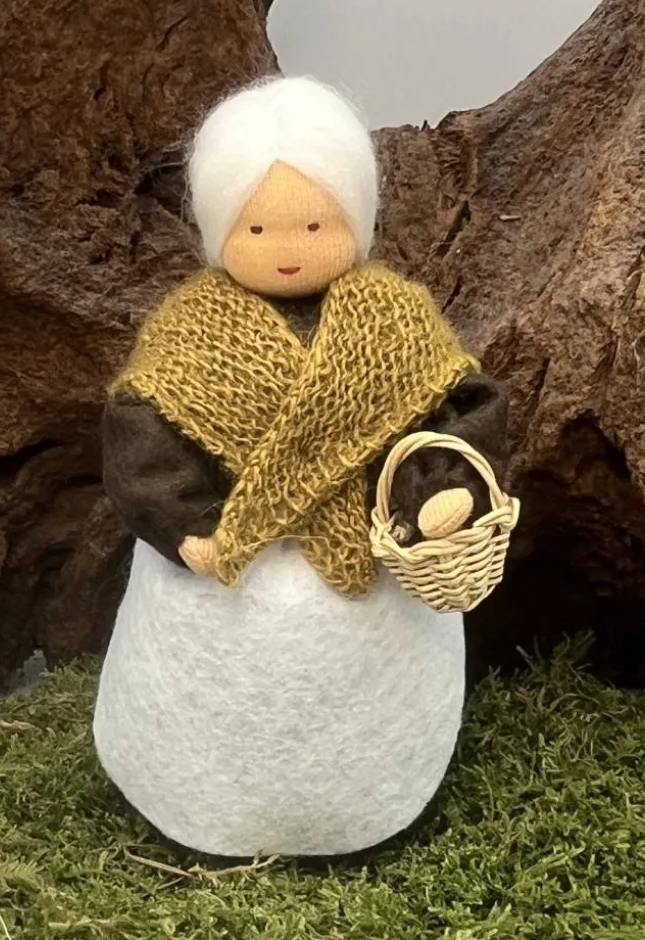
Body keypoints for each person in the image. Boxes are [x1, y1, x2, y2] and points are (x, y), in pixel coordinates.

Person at [93, 74, 510, 858]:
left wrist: (434, 490)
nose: (289, 249)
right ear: (220, 228)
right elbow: (142, 434)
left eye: (316, 223)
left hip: (373, 565)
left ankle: (367, 811)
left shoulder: (395, 320)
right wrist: (184, 526)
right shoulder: (188, 332)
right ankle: (195, 804)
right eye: (256, 228)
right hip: (225, 570)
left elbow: (455, 409)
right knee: (208, 709)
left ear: (356, 216)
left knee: (368, 713)